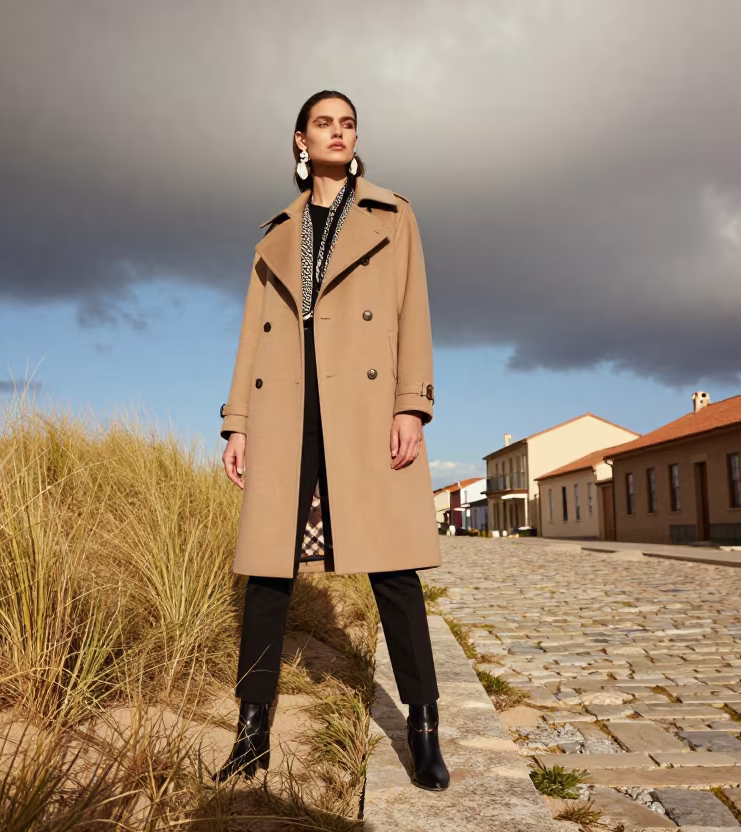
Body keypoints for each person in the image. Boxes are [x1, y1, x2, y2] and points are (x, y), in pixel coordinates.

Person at [215, 90, 448, 791]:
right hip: (287, 407)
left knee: (394, 571)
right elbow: (252, 333)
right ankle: (251, 731)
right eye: (325, 123)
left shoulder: (393, 213)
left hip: (367, 405)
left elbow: (414, 314)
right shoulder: (274, 233)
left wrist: (410, 406)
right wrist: (238, 423)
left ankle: (424, 727)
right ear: (301, 141)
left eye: (347, 124)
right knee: (267, 575)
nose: (338, 132)